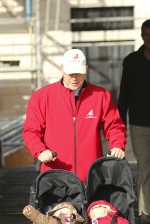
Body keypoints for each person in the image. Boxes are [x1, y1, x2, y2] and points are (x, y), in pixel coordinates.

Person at [22, 48, 126, 183]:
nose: (74, 78)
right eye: (70, 73)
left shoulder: (101, 96)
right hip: (54, 176)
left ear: (86, 69)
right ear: (62, 69)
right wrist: (40, 151)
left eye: (79, 73)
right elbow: (31, 131)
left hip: (91, 176)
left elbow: (114, 126)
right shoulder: (42, 97)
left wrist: (117, 145)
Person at [118, 19, 150, 224]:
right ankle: (144, 212)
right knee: (144, 166)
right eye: (146, 35)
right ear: (141, 36)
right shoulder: (131, 61)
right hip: (139, 124)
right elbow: (125, 95)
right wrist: (119, 125)